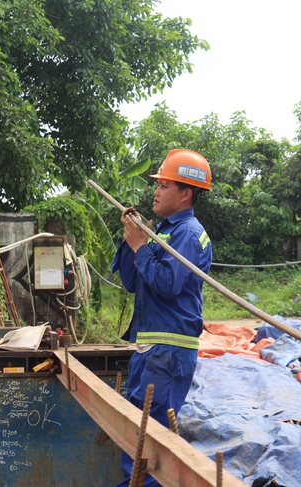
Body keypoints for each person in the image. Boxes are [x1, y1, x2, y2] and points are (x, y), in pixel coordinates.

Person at [112, 149, 213, 487]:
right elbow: (133, 281)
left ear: (186, 193)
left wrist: (143, 246)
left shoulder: (187, 234)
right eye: (157, 184)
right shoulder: (165, 232)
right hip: (152, 348)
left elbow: (168, 284)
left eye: (164, 185)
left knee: (150, 436)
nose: (156, 191)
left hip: (168, 350)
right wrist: (131, 242)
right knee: (140, 432)